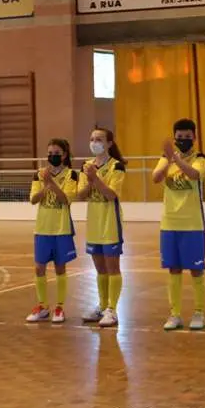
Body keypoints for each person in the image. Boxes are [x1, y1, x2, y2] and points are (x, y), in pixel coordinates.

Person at [153, 119, 205, 331]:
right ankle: (174, 313)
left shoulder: (199, 158)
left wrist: (175, 157)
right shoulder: (165, 159)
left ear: (194, 138)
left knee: (196, 269)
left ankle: (199, 311)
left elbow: (194, 175)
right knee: (173, 269)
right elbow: (156, 178)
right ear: (174, 137)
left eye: (187, 137)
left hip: (192, 224)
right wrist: (169, 159)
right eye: (179, 137)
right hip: (169, 223)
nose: (182, 140)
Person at [77, 128, 126, 328]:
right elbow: (81, 195)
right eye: (92, 139)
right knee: (99, 268)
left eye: (99, 139)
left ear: (109, 143)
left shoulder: (117, 167)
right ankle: (102, 305)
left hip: (110, 222)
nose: (94, 142)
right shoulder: (86, 167)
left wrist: (96, 179)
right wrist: (89, 180)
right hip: (94, 223)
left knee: (112, 267)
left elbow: (111, 195)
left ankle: (112, 310)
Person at [26, 139, 78, 323]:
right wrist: (46, 185)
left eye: (56, 153)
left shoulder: (72, 175)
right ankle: (42, 305)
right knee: (39, 267)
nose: (52, 156)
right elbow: (33, 199)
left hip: (61, 228)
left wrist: (51, 184)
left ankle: (60, 307)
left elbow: (66, 199)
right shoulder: (39, 174)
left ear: (64, 155)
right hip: (42, 228)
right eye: (49, 153)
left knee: (60, 267)